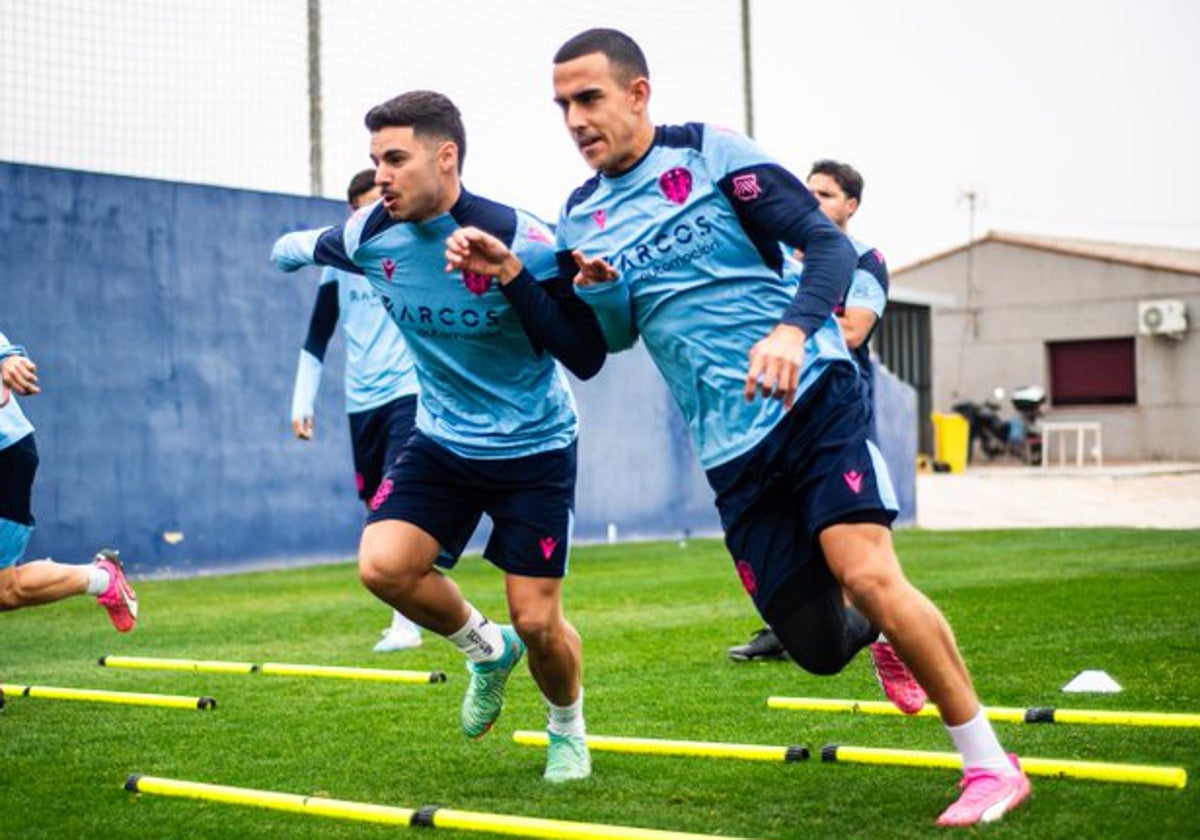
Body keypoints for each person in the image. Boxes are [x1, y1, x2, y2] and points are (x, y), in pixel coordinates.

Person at [537, 28, 1030, 826]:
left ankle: (988, 765)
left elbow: (826, 245)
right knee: (817, 645)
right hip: (731, 448)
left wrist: (795, 330)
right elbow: (612, 341)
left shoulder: (709, 154)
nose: (574, 119)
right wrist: (595, 290)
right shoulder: (580, 215)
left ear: (637, 93)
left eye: (588, 98)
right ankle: (881, 634)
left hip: (813, 394)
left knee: (867, 569)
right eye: (562, 105)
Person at [272, 90, 606, 783]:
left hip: (534, 448)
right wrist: (289, 251)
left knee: (540, 624)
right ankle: (487, 650)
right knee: (383, 564)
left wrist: (509, 275)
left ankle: (566, 730)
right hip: (443, 440)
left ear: (445, 156)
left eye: (395, 159)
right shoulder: (368, 235)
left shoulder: (531, 240)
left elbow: (585, 355)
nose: (381, 176)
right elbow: (309, 246)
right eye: (374, 161)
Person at [728, 159, 889, 664]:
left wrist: (791, 331)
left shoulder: (865, 259)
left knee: (844, 527)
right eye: (809, 192)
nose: (814, 201)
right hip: (772, 406)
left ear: (850, 206)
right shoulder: (780, 253)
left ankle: (880, 620)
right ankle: (790, 624)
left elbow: (855, 329)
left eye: (825, 194)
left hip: (837, 404)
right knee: (782, 524)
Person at [290, 168, 423, 653]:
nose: (374, 212)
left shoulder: (410, 251)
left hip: (409, 393)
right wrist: (302, 402)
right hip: (360, 402)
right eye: (363, 207)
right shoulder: (337, 264)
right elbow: (317, 335)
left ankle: (406, 623)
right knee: (374, 503)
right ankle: (410, 596)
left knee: (396, 499)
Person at [0, 332, 138, 634]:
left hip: (5, 452)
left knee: (5, 590)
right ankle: (103, 578)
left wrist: (6, 357)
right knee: (4, 590)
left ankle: (104, 578)